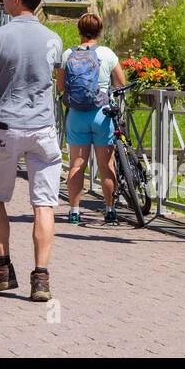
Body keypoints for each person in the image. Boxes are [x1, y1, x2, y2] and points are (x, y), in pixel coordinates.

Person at [0, 0, 64, 302]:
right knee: (44, 204)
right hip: (43, 129)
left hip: (7, 128)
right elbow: (58, 83)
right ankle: (42, 278)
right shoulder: (54, 39)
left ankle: (4, 269)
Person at [56, 13, 125, 225]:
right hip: (102, 115)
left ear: (79, 31)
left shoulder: (68, 54)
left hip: (76, 115)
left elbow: (60, 87)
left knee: (77, 164)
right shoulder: (107, 53)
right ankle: (110, 209)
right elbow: (121, 84)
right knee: (107, 166)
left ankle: (75, 210)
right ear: (99, 31)